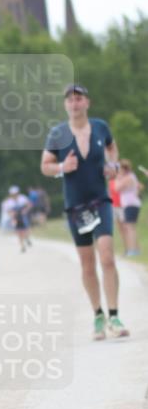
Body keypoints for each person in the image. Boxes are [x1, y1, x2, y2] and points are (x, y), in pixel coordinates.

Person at [41, 83, 129, 339]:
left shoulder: (100, 127)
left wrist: (112, 165)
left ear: (87, 103)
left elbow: (112, 148)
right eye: (70, 100)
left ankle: (114, 315)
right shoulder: (58, 133)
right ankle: (98, 316)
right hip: (75, 206)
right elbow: (44, 165)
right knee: (88, 263)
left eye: (79, 99)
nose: (75, 103)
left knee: (107, 256)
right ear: (65, 105)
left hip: (100, 200)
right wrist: (61, 167)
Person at [115, 159, 143, 257]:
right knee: (130, 227)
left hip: (130, 204)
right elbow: (139, 186)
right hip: (130, 204)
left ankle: (133, 250)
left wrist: (118, 178)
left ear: (124, 169)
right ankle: (135, 249)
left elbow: (117, 188)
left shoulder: (127, 178)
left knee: (130, 227)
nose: (118, 171)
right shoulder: (131, 176)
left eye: (119, 169)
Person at [5, 185, 32, 252]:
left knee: (26, 230)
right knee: (18, 232)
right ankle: (22, 246)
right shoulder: (9, 202)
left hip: (23, 216)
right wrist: (12, 215)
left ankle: (27, 238)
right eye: (13, 194)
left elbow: (29, 204)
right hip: (15, 218)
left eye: (15, 193)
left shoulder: (22, 198)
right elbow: (8, 211)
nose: (14, 195)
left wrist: (25, 210)